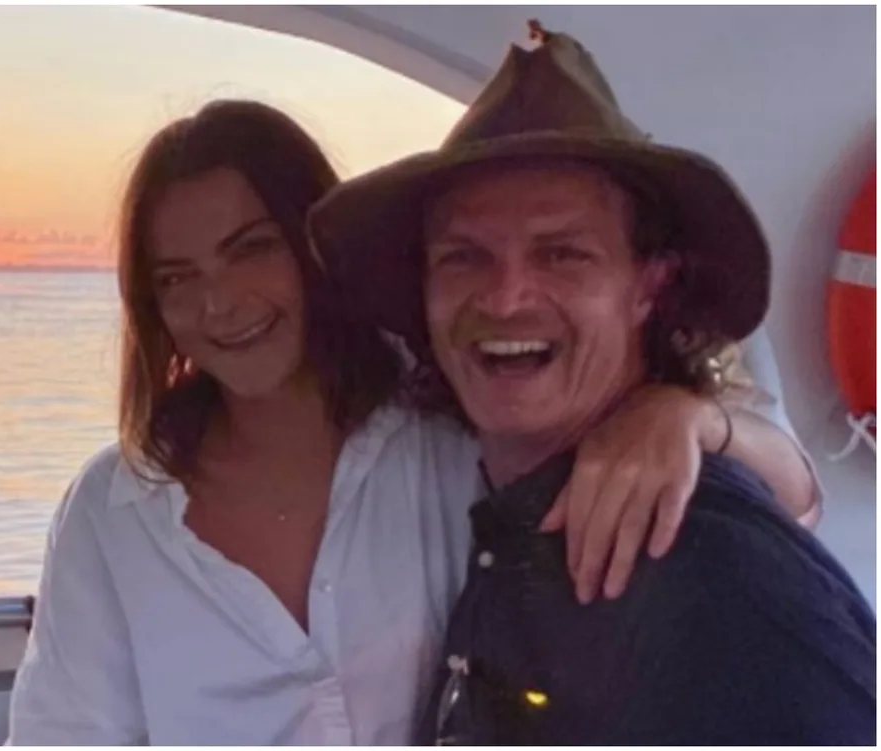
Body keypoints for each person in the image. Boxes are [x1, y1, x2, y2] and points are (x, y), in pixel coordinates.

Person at [9, 97, 817, 745]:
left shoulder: (455, 424)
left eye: (251, 248)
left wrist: (683, 416)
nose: (218, 304)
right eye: (178, 277)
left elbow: (796, 497)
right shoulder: (112, 513)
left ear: (310, 245)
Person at [307, 24, 876, 745]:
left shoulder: (727, 583)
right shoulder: (505, 516)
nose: (506, 297)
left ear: (648, 286)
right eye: (463, 257)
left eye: (562, 253)